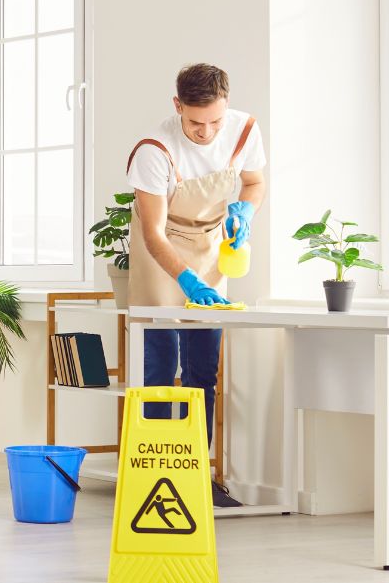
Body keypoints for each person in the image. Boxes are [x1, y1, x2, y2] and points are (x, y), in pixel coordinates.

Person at [126, 63, 266, 508]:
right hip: (161, 253)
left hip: (209, 249)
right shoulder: (154, 150)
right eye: (195, 122)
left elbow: (254, 182)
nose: (206, 133)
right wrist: (185, 278)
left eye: (215, 122)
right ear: (177, 107)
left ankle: (196, 478)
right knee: (160, 368)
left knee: (204, 370)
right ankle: (156, 479)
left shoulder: (243, 129)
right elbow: (153, 235)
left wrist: (245, 212)